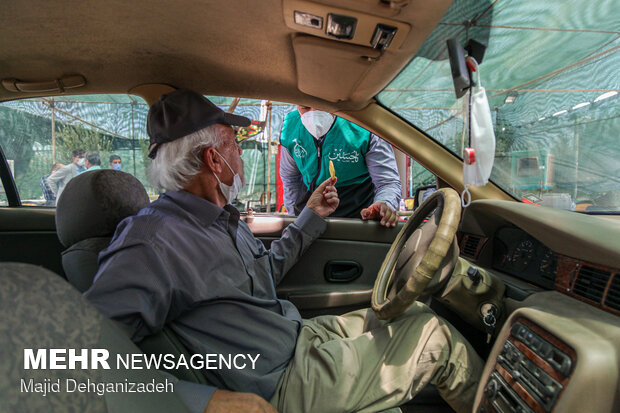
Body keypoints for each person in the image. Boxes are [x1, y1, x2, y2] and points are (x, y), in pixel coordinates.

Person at [85, 90, 482, 413]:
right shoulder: (150, 241)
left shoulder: (220, 218)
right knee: (435, 338)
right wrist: (206, 402)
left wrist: (310, 215)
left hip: (297, 336)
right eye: (235, 146)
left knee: (412, 311)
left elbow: (264, 275)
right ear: (214, 160)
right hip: (280, 381)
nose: (240, 156)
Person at [280, 106, 402, 227]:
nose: (313, 114)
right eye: (305, 107)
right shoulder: (291, 127)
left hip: (357, 217)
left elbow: (387, 182)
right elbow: (290, 179)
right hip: (310, 214)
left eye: (320, 105)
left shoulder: (364, 125)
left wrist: (383, 203)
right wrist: (294, 219)